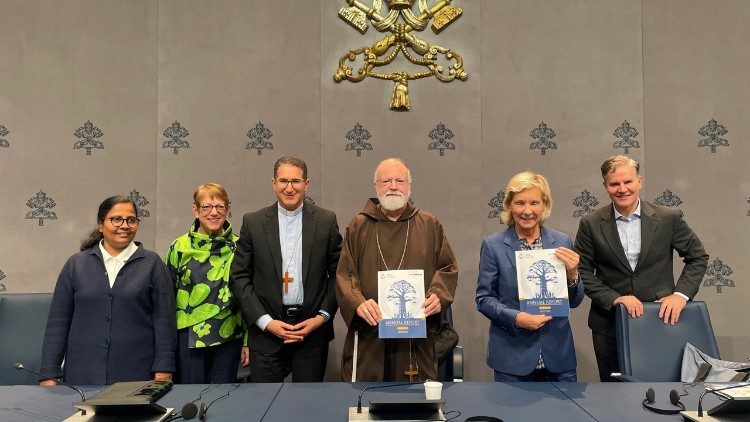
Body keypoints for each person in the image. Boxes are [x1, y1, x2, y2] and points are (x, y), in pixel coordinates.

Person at [574, 155, 709, 381]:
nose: (622, 189)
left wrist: (680, 295)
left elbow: (697, 257)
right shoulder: (590, 223)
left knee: (662, 391)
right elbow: (582, 271)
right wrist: (615, 298)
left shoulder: (669, 218)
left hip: (661, 320)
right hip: (609, 325)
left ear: (640, 182)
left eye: (628, 182)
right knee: (614, 397)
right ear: (605, 186)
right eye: (614, 184)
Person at [336, 157, 458, 382]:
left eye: (400, 181)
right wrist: (358, 303)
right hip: (371, 333)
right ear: (376, 186)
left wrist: (437, 296)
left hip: (415, 337)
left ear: (409, 186)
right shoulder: (358, 225)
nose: (393, 186)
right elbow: (346, 273)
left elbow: (447, 267)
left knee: (414, 406)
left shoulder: (429, 224)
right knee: (370, 403)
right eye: (386, 181)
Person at [39, 196, 176, 385]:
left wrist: (164, 367)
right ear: (101, 225)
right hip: (83, 373)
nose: (125, 225)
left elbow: (164, 321)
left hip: (135, 373)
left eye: (131, 220)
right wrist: (49, 372)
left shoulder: (152, 263)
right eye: (116, 219)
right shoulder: (76, 264)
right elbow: (58, 321)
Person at [230, 156, 342, 382]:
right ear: (273, 183)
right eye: (283, 181)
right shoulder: (253, 222)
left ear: (306, 184)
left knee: (307, 409)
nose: (289, 188)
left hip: (311, 333)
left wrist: (321, 317)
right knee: (265, 408)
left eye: (296, 181)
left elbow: (339, 275)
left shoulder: (326, 221)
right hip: (266, 334)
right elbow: (239, 277)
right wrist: (265, 322)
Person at [475, 172, 584, 382]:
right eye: (520, 203)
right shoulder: (493, 245)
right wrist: (516, 318)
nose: (527, 211)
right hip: (512, 358)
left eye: (534, 203)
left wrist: (572, 275)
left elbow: (575, 301)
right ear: (509, 205)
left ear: (544, 205)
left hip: (559, 359)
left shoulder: (562, 241)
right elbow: (484, 299)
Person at [165, 183, 250, 384]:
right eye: (207, 207)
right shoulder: (179, 247)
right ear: (195, 210)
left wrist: (248, 341)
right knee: (189, 398)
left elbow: (249, 296)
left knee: (223, 402)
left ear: (228, 210)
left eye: (220, 207)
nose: (214, 213)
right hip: (188, 336)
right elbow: (167, 298)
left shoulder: (240, 246)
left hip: (229, 335)